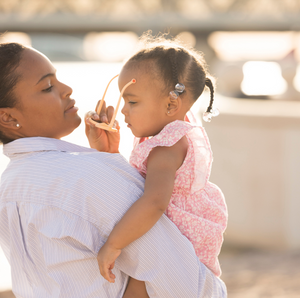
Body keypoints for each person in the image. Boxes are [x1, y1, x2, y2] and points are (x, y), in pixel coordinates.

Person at [0, 42, 227, 297]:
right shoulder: (85, 177)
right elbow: (186, 285)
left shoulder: (8, 188)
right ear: (7, 118)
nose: (67, 89)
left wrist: (108, 158)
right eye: (47, 87)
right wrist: (106, 166)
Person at [94, 34, 228, 297]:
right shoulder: (170, 132)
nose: (123, 111)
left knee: (137, 287)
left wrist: (113, 243)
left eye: (132, 102)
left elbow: (155, 201)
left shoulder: (166, 147)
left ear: (171, 104)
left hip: (178, 243)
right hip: (178, 241)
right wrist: (107, 150)